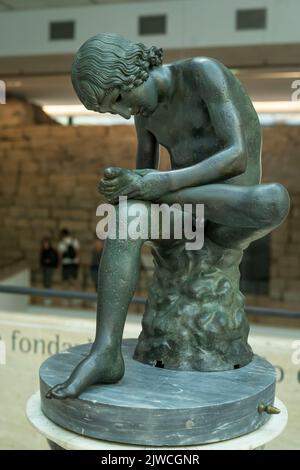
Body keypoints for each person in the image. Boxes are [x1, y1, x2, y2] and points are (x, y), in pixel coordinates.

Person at [47, 33, 289, 399]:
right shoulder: (144, 112)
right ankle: (106, 352)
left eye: (119, 100)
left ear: (134, 72)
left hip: (231, 211)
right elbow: (146, 178)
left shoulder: (203, 73)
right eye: (113, 111)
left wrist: (156, 184)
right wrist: (125, 187)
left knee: (274, 199)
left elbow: (235, 155)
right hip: (187, 214)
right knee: (128, 215)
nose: (125, 112)